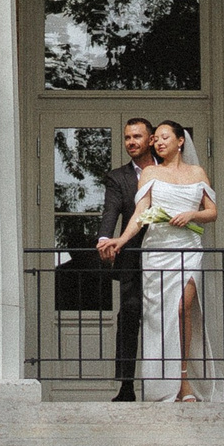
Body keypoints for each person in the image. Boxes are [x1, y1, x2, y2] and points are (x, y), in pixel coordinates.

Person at [111, 119, 219, 403]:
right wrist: (121, 241)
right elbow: (140, 213)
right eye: (155, 139)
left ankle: (184, 379)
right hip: (157, 250)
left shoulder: (197, 172)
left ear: (180, 141)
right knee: (160, 318)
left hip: (188, 247)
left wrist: (191, 215)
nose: (157, 143)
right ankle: (168, 383)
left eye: (164, 138)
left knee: (184, 308)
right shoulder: (149, 172)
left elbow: (212, 212)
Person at [94, 117, 157, 403]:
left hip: (167, 255)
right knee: (129, 317)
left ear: (152, 139)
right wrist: (104, 239)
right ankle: (127, 387)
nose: (131, 142)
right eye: (127, 138)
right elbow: (111, 211)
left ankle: (171, 385)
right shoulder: (118, 177)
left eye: (137, 137)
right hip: (132, 256)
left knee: (168, 318)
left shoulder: (168, 169)